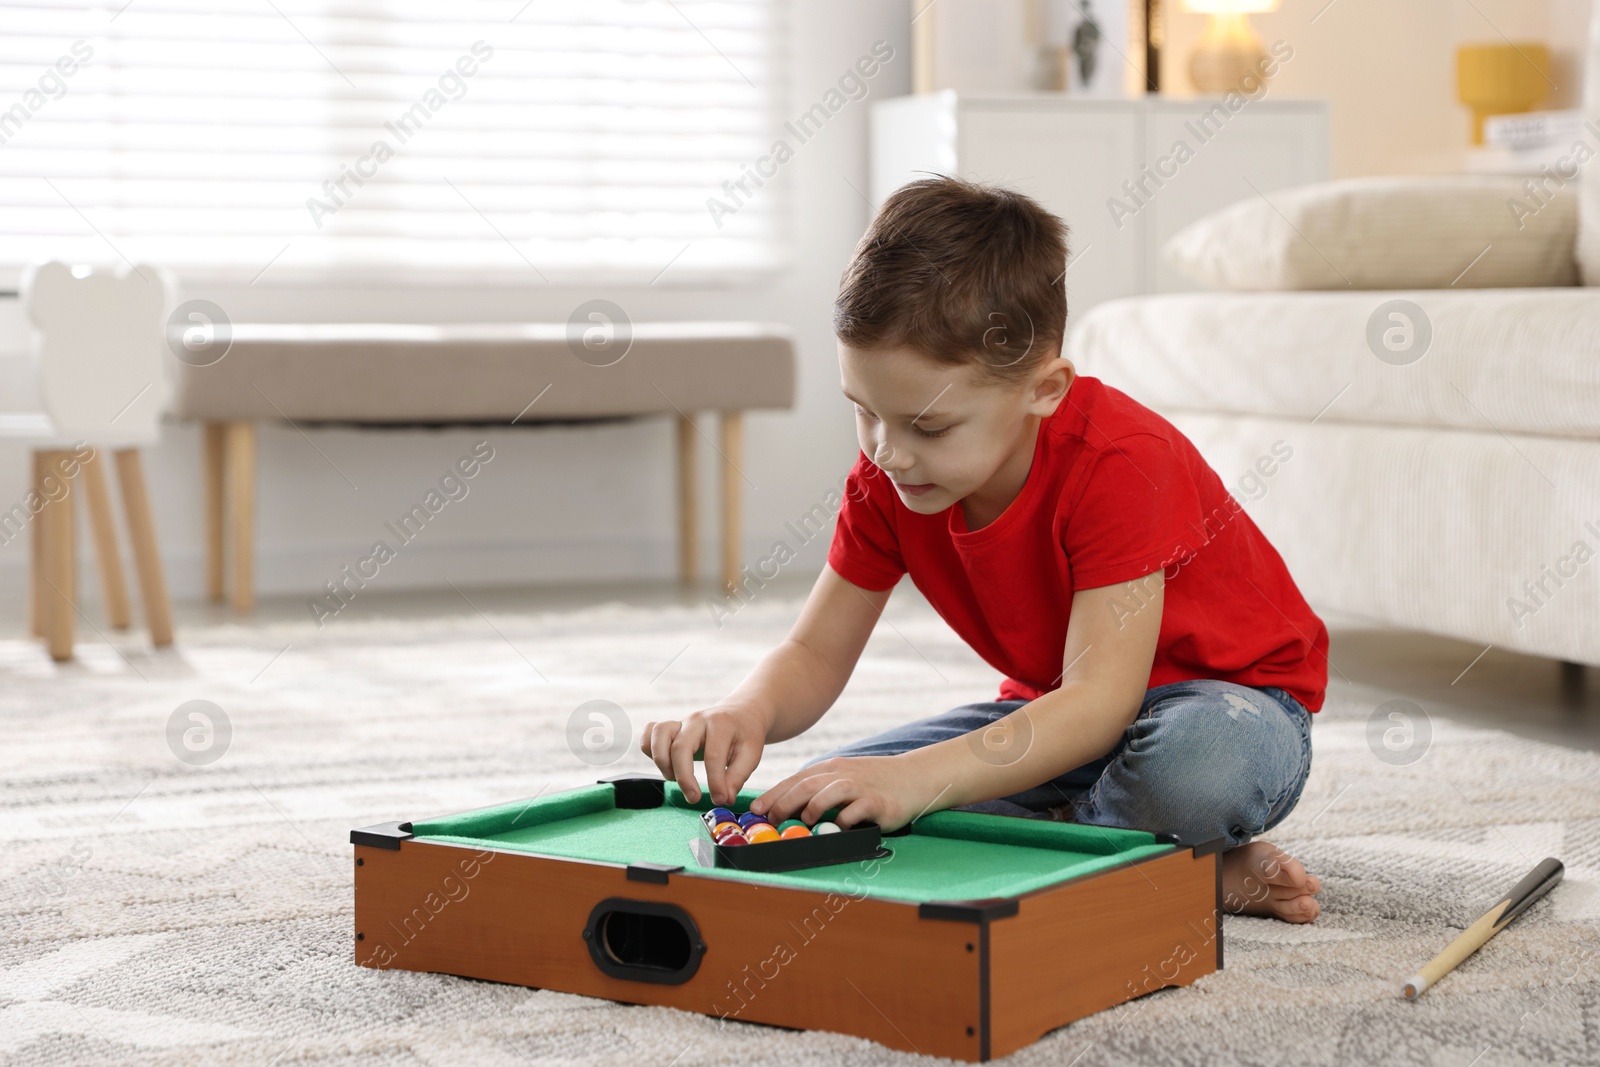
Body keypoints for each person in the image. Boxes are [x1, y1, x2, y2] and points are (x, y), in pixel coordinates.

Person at [641, 175, 1327, 923]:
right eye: (864, 412)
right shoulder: (887, 477)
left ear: (1046, 388)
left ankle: (1137, 850)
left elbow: (1103, 703)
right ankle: (1170, 862)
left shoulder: (1122, 461)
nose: (888, 452)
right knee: (826, 799)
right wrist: (749, 710)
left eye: (928, 428)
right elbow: (813, 653)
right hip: (1056, 721)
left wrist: (923, 780)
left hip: (1228, 709)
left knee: (1195, 775)